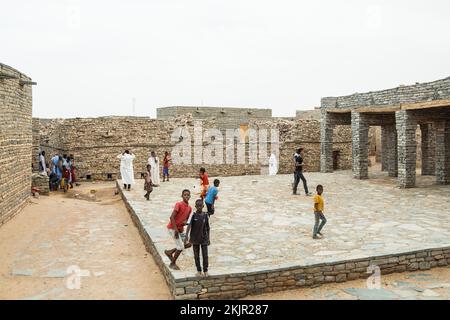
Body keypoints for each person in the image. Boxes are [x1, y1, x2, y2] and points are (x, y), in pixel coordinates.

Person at [164, 189, 193, 270]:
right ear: (182, 196)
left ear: (190, 196)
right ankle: (172, 263)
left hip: (180, 229)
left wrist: (185, 223)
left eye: (188, 195)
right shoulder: (178, 204)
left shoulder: (189, 208)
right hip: (173, 228)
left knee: (188, 244)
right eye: (185, 195)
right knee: (180, 247)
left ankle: (170, 252)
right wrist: (176, 230)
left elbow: (186, 219)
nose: (186, 196)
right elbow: (171, 217)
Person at [186, 199, 210, 277]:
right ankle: (199, 270)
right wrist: (186, 236)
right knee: (196, 256)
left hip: (204, 239)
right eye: (198, 206)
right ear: (196, 206)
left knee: (205, 255)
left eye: (201, 206)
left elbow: (208, 227)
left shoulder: (205, 215)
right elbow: (189, 225)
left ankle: (205, 270)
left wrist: (208, 238)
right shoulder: (193, 216)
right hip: (195, 238)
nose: (199, 207)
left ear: (203, 206)